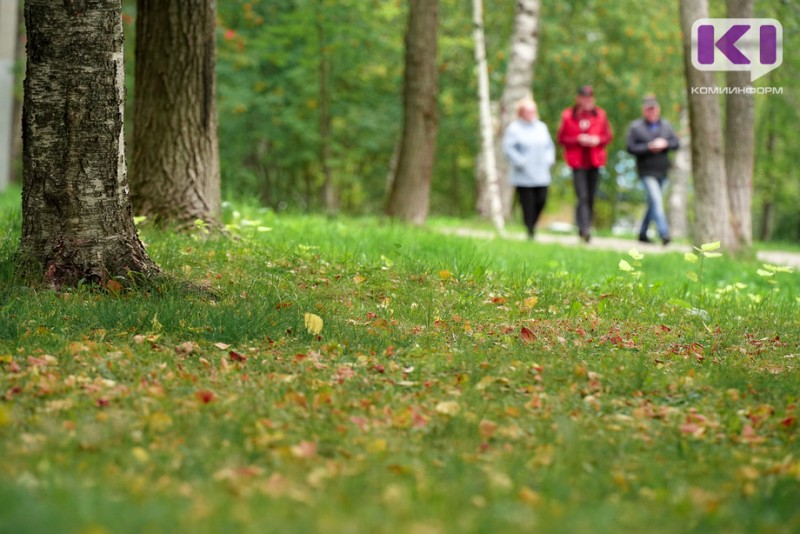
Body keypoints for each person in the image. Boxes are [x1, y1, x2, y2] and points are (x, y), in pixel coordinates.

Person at [557, 85, 613, 243]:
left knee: (591, 196)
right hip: (577, 161)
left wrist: (597, 140)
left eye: (590, 98)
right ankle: (584, 229)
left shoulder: (600, 115)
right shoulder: (568, 115)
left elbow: (607, 137)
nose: (587, 101)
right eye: (584, 97)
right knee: (582, 195)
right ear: (578, 98)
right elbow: (562, 138)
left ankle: (586, 225)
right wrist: (578, 139)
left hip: (595, 160)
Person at [626, 94, 680, 245]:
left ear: (658, 110)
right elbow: (630, 148)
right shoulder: (636, 127)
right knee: (657, 200)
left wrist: (665, 144)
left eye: (654, 109)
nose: (651, 112)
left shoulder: (666, 126)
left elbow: (676, 143)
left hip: (663, 170)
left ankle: (643, 233)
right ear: (644, 111)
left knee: (653, 203)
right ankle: (664, 233)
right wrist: (649, 147)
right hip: (646, 171)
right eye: (648, 110)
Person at [502, 98, 556, 239]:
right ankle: (530, 229)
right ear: (521, 113)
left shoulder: (541, 127)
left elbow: (549, 146)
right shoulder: (514, 128)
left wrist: (549, 159)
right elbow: (508, 148)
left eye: (532, 111)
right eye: (527, 111)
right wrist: (520, 161)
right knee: (528, 203)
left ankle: (533, 223)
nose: (530, 114)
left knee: (541, 199)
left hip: (541, 172)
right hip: (523, 174)